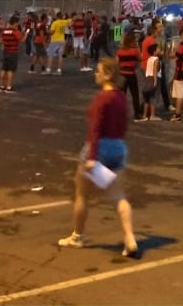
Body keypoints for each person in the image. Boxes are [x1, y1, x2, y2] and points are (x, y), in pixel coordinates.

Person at [57, 59, 140, 257]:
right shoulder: (120, 96)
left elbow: (95, 129)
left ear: (108, 74)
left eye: (98, 71)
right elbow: (124, 123)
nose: (95, 74)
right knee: (118, 196)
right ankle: (129, 237)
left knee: (82, 195)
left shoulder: (102, 98)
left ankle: (78, 236)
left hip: (99, 148)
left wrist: (93, 158)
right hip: (118, 147)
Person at [0, 15, 23, 94]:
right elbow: (22, 40)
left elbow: (1, 41)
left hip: (6, 51)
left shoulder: (4, 31)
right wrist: (25, 34)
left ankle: (1, 86)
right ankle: (9, 87)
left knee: (3, 69)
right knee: (10, 70)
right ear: (15, 23)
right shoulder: (16, 32)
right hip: (13, 52)